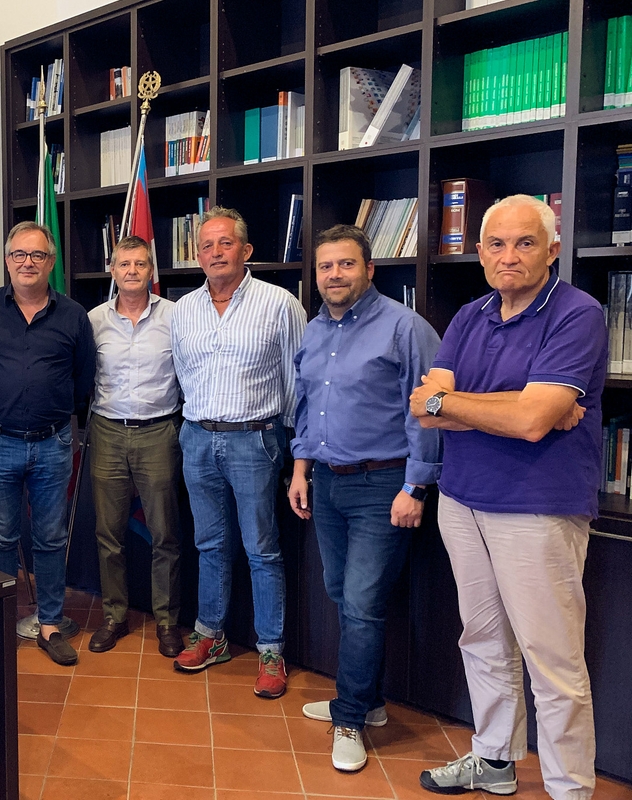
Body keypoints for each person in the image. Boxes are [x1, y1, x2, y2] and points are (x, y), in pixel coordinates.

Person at [410, 195, 604, 800]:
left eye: (524, 243)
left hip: (538, 508)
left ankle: (570, 789)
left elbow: (528, 423)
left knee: (553, 662)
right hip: (462, 501)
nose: (509, 256)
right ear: (479, 252)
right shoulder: (469, 314)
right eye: (496, 244)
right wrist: (518, 404)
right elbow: (426, 406)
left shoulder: (579, 314)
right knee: (484, 639)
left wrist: (503, 408)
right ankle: (494, 761)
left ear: (551, 249)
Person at [287, 224, 442, 772]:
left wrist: (414, 487)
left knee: (361, 604)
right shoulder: (312, 332)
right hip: (327, 483)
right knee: (341, 592)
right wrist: (300, 470)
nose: (334, 275)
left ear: (369, 269)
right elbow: (305, 409)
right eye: (325, 266)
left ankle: (349, 715)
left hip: (385, 486)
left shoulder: (406, 328)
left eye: (346, 265)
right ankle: (371, 701)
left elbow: (428, 411)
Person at [170, 206, 305, 698]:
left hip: (256, 439)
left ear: (246, 251)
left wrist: (295, 449)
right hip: (197, 437)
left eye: (225, 243)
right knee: (208, 543)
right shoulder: (182, 309)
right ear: (198, 254)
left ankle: (271, 649)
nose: (215, 252)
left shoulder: (279, 304)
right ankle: (212, 634)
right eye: (206, 245)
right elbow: (182, 375)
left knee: (261, 549)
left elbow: (298, 382)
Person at [0, 221, 96, 666]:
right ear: (7, 260)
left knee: (51, 537)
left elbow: (83, 380)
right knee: (0, 537)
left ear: (51, 262)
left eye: (37, 255)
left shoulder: (74, 315)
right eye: (19, 254)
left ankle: (51, 622)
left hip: (53, 442)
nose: (27, 262)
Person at [85, 235, 184, 658]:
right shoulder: (93, 320)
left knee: (165, 534)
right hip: (107, 430)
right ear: (112, 269)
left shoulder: (177, 317)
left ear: (151, 271)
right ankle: (115, 615)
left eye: (139, 264)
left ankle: (167, 620)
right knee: (109, 533)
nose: (131, 271)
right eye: (123, 264)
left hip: (159, 432)